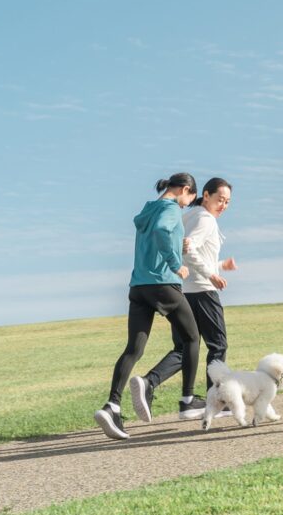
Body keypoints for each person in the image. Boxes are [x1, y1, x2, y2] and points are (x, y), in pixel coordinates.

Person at [94, 173, 203, 440]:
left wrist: (178, 247)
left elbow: (157, 234)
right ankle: (188, 399)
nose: (186, 205)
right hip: (163, 283)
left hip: (138, 286)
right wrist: (175, 263)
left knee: (134, 348)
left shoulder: (148, 209)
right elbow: (162, 231)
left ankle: (112, 406)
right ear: (185, 190)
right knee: (192, 338)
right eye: (188, 201)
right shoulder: (170, 208)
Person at [133, 177, 237, 419]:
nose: (223, 205)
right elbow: (187, 248)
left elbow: (187, 252)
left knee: (185, 347)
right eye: (220, 199)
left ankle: (150, 382)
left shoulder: (188, 216)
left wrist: (220, 265)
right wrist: (211, 274)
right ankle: (218, 400)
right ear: (206, 195)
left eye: (228, 202)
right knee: (218, 345)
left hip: (183, 290)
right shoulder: (206, 219)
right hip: (203, 291)